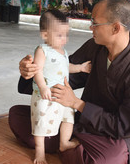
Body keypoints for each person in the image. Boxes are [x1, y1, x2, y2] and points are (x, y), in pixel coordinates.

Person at [9, 0, 130, 164]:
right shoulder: (95, 47)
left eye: (95, 23)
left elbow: (128, 127)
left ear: (115, 28)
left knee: (108, 158)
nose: (91, 27)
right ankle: (72, 146)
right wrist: (33, 71)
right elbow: (62, 76)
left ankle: (71, 146)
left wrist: (77, 104)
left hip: (115, 138)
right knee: (17, 116)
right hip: (83, 124)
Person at [32, 9, 91, 164]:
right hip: (45, 95)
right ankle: (40, 151)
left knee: (68, 117)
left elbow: (66, 66)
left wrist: (80, 68)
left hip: (62, 95)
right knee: (42, 122)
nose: (64, 39)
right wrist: (43, 87)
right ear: (45, 35)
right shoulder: (42, 50)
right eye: (59, 35)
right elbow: (37, 70)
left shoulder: (62, 52)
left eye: (66, 34)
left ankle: (64, 143)